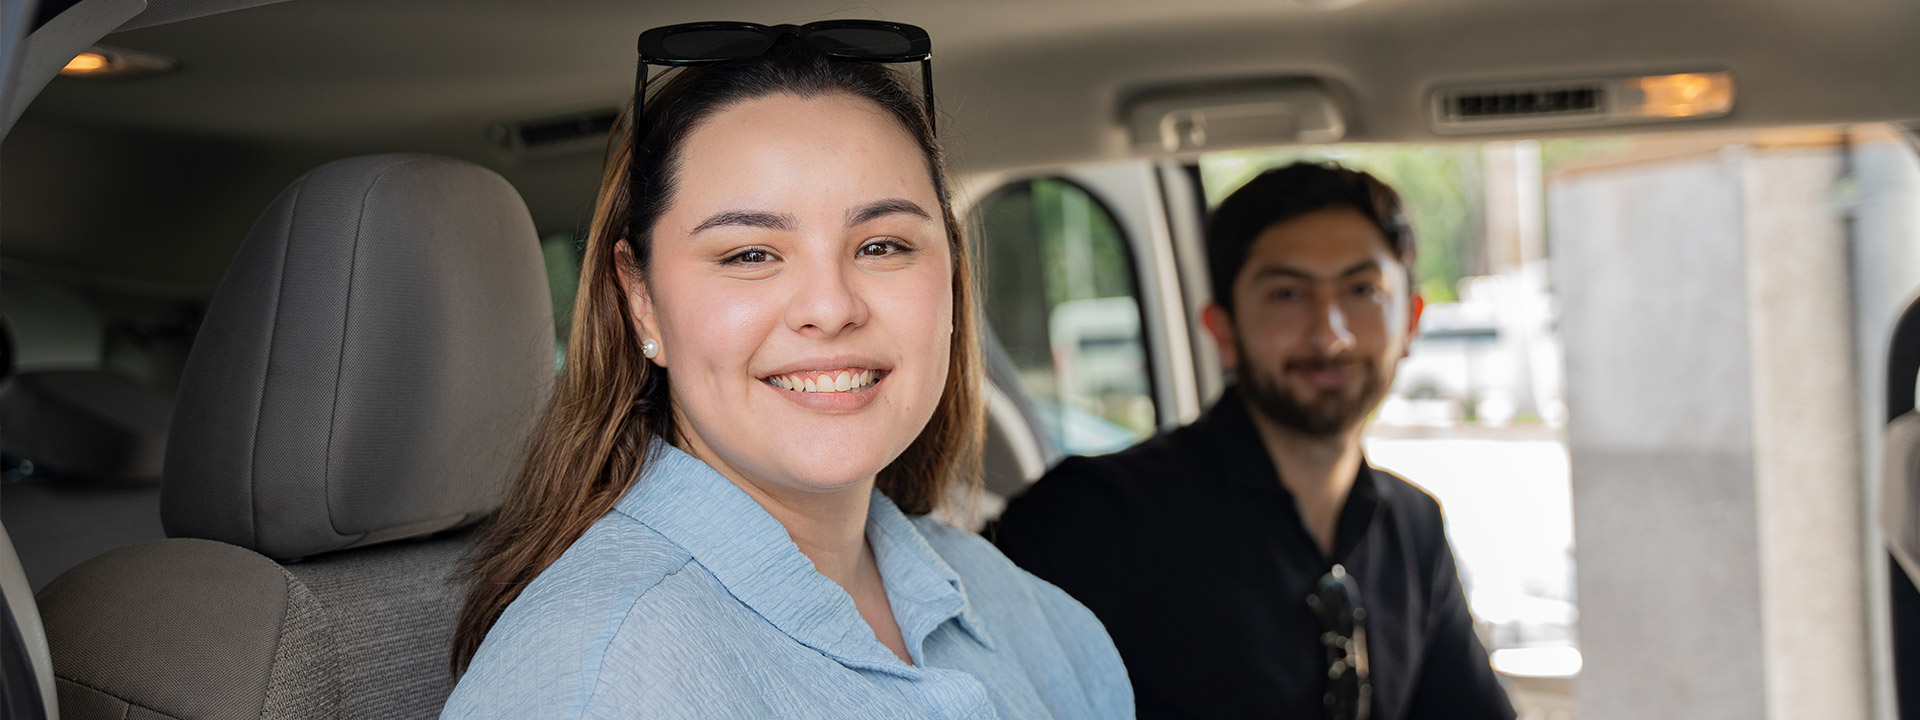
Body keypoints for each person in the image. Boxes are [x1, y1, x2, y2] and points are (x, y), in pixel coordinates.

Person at [442, 23, 1131, 719]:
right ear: (641, 300)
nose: (830, 308)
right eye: (749, 254)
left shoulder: (1033, 616)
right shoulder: (598, 677)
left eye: (884, 245)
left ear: (951, 276)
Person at [993, 162, 1516, 720]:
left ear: (1410, 321)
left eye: (1362, 289)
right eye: (1288, 294)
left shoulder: (1413, 529)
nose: (1330, 334)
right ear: (1224, 331)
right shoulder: (1091, 518)